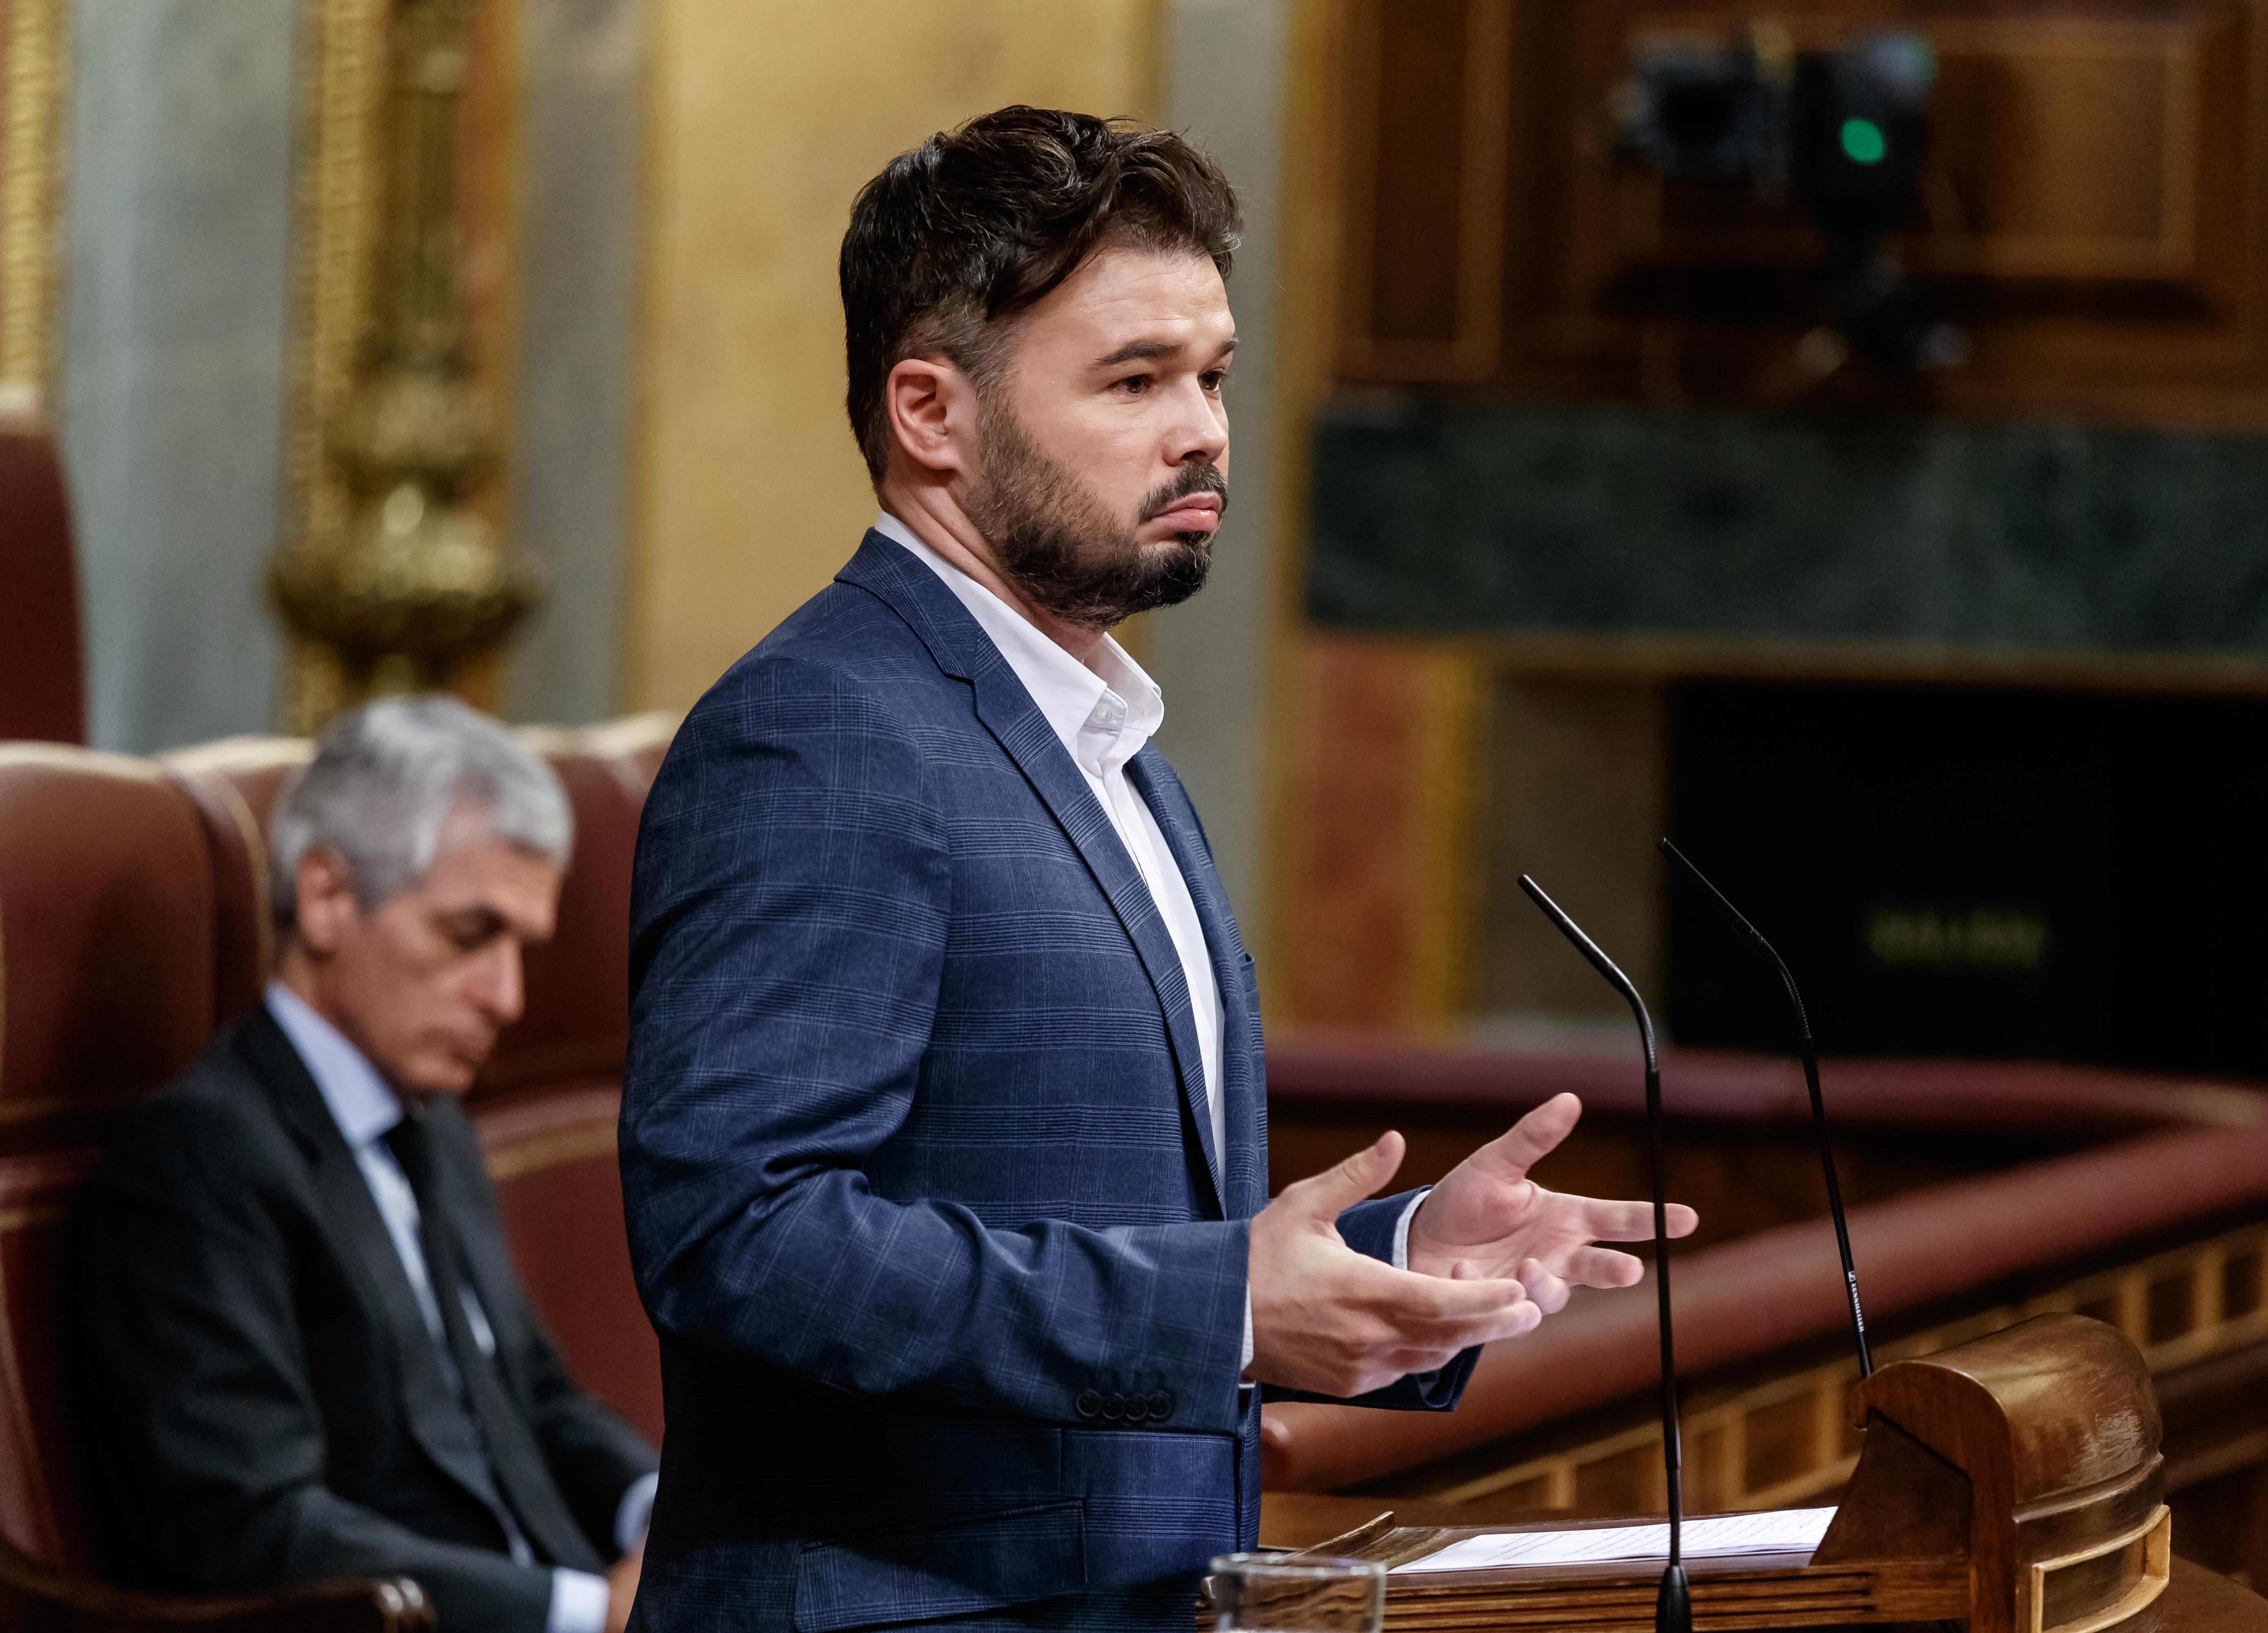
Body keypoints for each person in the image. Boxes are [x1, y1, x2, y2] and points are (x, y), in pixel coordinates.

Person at [620, 107, 1696, 1631]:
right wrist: (1227, 1310)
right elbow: (741, 1239)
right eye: (1134, 380)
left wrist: (1385, 1267)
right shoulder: (825, 731)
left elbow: (1098, 1203)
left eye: (1213, 374)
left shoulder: (1097, 730)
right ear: (931, 412)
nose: (1201, 428)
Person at [78, 697, 659, 1633]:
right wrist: (587, 1611)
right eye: (470, 937)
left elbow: (531, 1396)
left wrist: (659, 1507)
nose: (507, 997)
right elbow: (250, 1525)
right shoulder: (203, 1156)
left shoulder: (433, 1120)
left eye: (524, 949)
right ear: (326, 897)